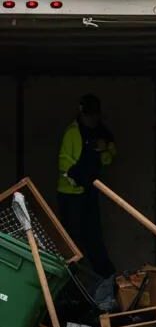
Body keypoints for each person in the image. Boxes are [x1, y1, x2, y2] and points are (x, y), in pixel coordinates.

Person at [57, 93, 117, 277]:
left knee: (93, 238)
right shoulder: (73, 132)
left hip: (89, 192)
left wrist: (104, 149)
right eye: (88, 115)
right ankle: (70, 281)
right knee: (72, 241)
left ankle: (106, 278)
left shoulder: (102, 132)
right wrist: (76, 176)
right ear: (82, 114)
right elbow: (64, 164)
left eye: (94, 115)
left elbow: (110, 157)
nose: (91, 119)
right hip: (70, 195)